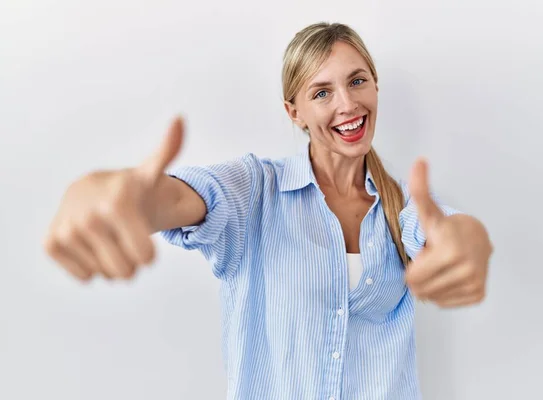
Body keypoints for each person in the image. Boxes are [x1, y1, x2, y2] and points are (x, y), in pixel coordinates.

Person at [43, 22, 493, 400]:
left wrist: (469, 240)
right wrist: (96, 190)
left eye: (357, 81)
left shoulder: (400, 206)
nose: (347, 104)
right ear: (293, 111)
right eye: (321, 92)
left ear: (375, 86)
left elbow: (446, 231)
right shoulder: (256, 190)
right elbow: (175, 199)